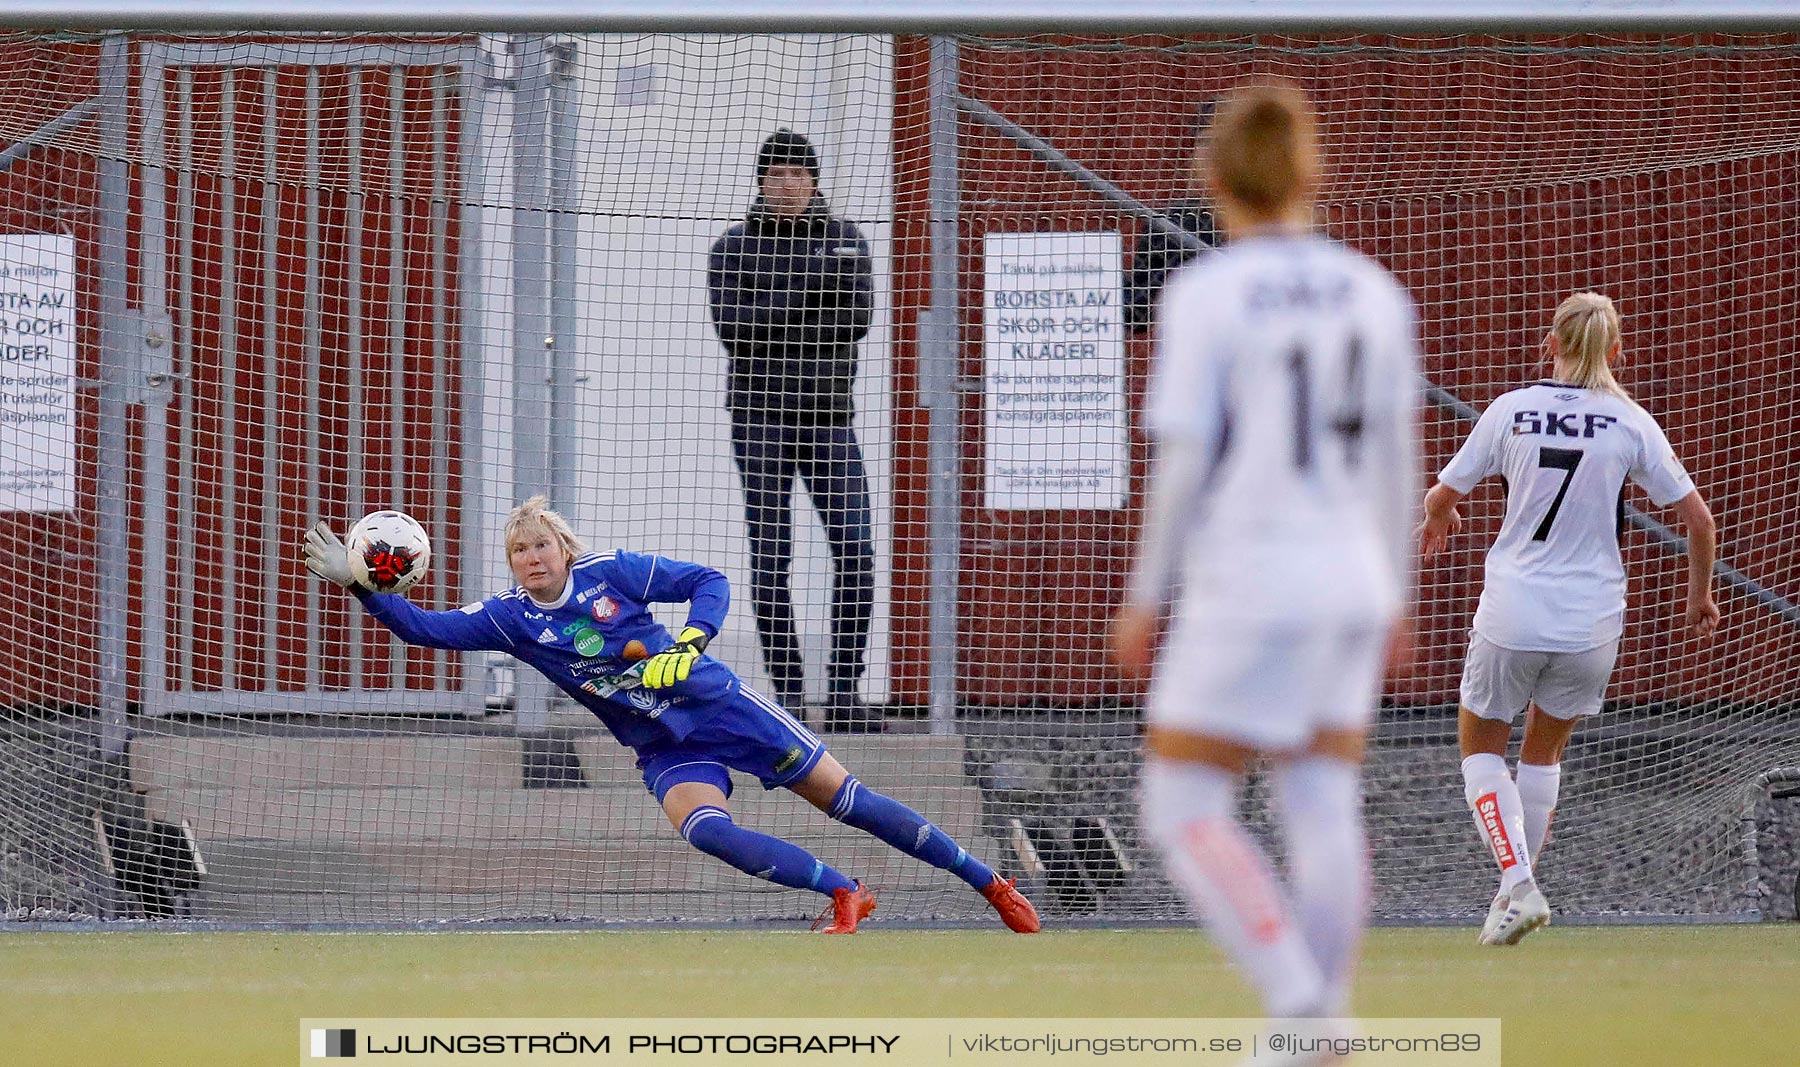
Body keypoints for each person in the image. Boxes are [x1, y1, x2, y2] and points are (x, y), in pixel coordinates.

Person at [302, 496, 1038, 935]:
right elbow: (422, 628)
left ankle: (988, 883)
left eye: (541, 544)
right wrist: (362, 588)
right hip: (660, 742)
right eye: (518, 549)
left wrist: (691, 642)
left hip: (720, 706)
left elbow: (707, 581)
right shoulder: (510, 618)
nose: (532, 557)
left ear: (563, 546)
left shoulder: (610, 572)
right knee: (706, 831)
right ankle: (845, 892)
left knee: (851, 800)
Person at [1109, 80, 1419, 1059]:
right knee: (1322, 795)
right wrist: (1399, 586)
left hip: (1251, 574)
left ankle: (1300, 1001)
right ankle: (1319, 1018)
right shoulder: (1374, 290)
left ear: (1213, 180)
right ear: (1309, 170)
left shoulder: (1205, 292)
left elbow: (1186, 459)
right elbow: (1396, 458)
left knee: (1180, 800)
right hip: (1354, 578)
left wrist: (1144, 593)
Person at [1420, 291, 1718, 946]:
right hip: (1592, 619)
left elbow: (1442, 493)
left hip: (1514, 608)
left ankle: (1519, 883)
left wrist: (1441, 514)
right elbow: (1698, 520)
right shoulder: (1630, 421)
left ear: (1548, 344)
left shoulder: (1511, 410)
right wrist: (1700, 597)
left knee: (1480, 750)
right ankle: (1513, 892)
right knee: (1543, 751)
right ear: (1616, 351)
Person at [708, 128, 878, 732]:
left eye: (798, 174)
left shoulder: (846, 240)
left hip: (829, 418)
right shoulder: (734, 248)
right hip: (759, 419)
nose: (787, 184)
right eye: (776, 174)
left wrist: (777, 306)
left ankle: (844, 695)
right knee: (770, 557)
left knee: (856, 552)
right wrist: (812, 292)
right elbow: (734, 327)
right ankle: (786, 699)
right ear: (761, 181)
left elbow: (856, 319)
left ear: (814, 180)